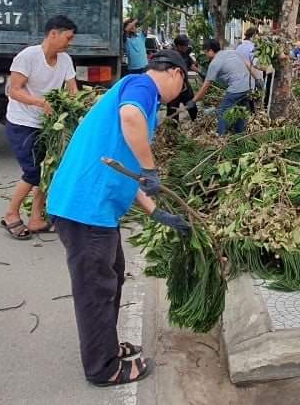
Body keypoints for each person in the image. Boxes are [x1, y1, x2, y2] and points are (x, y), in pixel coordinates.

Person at [45, 49, 192, 387]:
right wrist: (152, 167)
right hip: (84, 209)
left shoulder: (138, 90)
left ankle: (107, 346)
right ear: (174, 73)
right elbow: (130, 118)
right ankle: (103, 367)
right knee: (96, 288)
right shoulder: (143, 87)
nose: (177, 96)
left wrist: (158, 214)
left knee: (112, 277)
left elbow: (126, 171)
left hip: (96, 209)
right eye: (181, 87)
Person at [0, 15, 79, 240]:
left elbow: (73, 90)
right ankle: (11, 214)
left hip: (48, 126)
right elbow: (14, 90)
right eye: (68, 37)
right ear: (53, 34)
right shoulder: (27, 57)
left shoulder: (65, 60)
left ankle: (36, 217)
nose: (69, 43)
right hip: (22, 123)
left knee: (47, 170)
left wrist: (79, 107)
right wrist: (40, 102)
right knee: (33, 172)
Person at [192, 39, 258, 135]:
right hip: (250, 85)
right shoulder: (232, 52)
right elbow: (248, 64)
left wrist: (192, 101)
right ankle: (239, 136)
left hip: (237, 88)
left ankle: (220, 138)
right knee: (240, 111)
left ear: (210, 51)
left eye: (206, 52)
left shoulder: (214, 63)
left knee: (223, 112)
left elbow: (204, 89)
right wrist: (257, 80)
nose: (206, 54)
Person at [163, 35, 198, 122]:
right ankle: (173, 131)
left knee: (192, 106)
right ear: (178, 46)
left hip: (185, 86)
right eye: (185, 45)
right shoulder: (170, 55)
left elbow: (190, 65)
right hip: (173, 88)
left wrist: (202, 73)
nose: (187, 47)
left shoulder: (185, 53)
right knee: (172, 110)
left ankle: (196, 122)